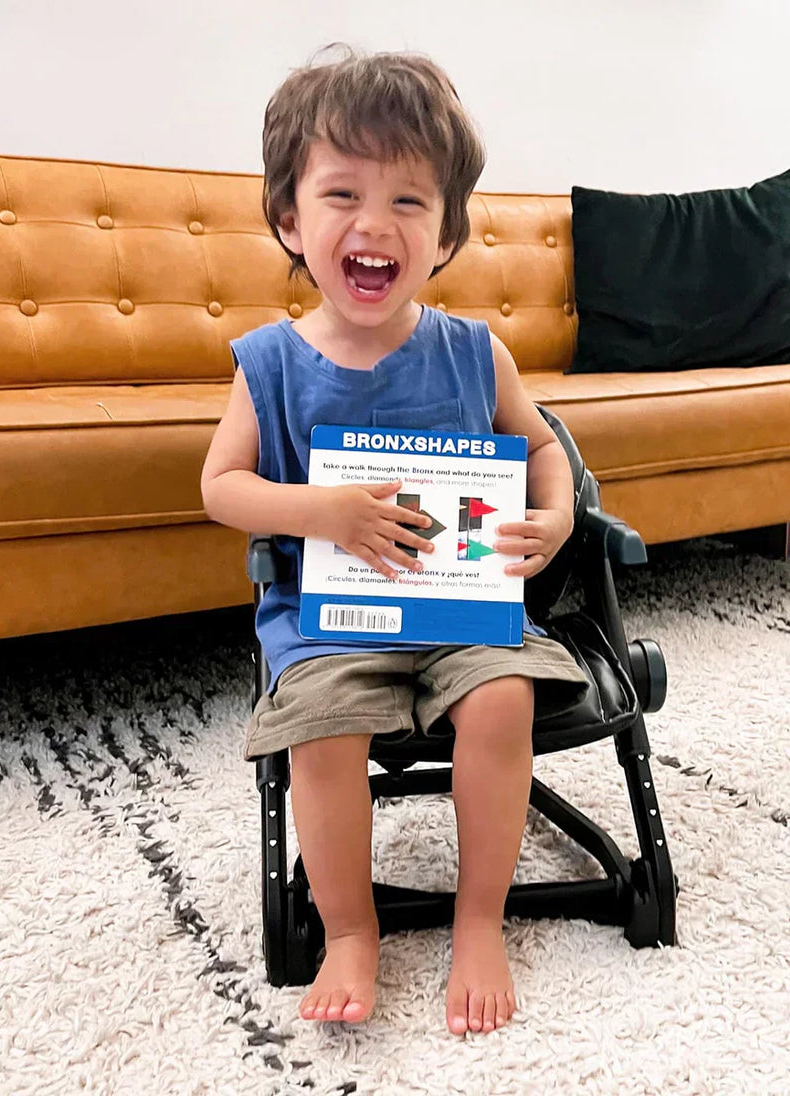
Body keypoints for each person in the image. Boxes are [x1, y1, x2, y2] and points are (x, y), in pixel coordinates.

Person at [200, 46, 587, 1036]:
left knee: (501, 700)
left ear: (446, 234)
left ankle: (479, 919)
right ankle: (350, 929)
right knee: (323, 730)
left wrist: (555, 516)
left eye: (408, 201)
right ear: (290, 219)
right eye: (342, 194)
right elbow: (221, 486)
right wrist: (317, 511)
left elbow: (545, 447)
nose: (374, 223)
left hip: (463, 613)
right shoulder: (270, 363)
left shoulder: (474, 352)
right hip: (331, 621)